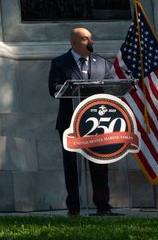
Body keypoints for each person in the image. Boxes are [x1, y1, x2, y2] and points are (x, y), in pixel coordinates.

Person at [48, 26, 117, 216]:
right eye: (86, 39)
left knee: (100, 164)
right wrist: (70, 88)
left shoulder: (102, 63)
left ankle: (103, 205)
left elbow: (112, 84)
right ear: (74, 42)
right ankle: (74, 206)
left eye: (91, 38)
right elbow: (53, 88)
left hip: (98, 121)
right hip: (70, 122)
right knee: (72, 165)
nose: (91, 42)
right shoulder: (60, 63)